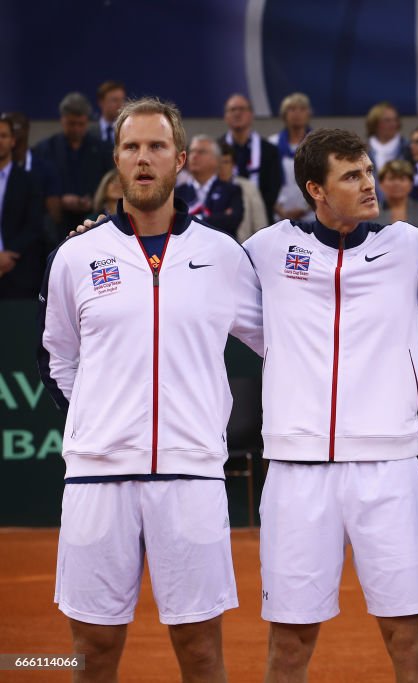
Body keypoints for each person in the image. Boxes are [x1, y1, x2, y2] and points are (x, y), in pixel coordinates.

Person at [38, 97, 263, 682]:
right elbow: (57, 355)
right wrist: (94, 422)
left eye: (157, 146)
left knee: (200, 651)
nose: (144, 158)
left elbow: (281, 343)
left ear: (181, 159)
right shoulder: (76, 255)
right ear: (116, 159)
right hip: (97, 474)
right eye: (132, 147)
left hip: (190, 473)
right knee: (91, 651)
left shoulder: (223, 256)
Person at [242, 128, 418, 683]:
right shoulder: (265, 250)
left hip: (391, 469)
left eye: (368, 172)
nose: (367, 184)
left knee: (408, 638)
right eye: (351, 176)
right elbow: (197, 280)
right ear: (316, 189)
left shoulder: (414, 249)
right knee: (289, 642)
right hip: (297, 472)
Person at [32, 92, 114, 233]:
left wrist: (94, 200)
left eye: (81, 124)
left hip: (94, 220)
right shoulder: (45, 149)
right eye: (71, 124)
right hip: (55, 223)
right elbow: (35, 188)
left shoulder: (103, 149)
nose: (76, 129)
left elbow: (110, 182)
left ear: (87, 121)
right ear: (62, 120)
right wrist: (60, 199)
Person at [0, 115, 44, 299]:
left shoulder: (28, 181)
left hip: (18, 272)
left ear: (12, 141)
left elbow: (34, 225)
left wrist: (6, 255)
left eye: (3, 135)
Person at [223, 93, 283, 220]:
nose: (237, 114)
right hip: (225, 217)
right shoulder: (216, 149)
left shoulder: (269, 150)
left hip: (261, 217)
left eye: (242, 109)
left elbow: (274, 188)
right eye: (232, 110)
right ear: (226, 116)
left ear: (251, 115)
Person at [176, 135, 244, 238]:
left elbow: (232, 220)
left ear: (216, 160)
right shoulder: (177, 193)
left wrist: (191, 219)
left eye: (201, 152)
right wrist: (216, 217)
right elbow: (173, 223)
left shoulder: (231, 190)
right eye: (192, 151)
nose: (194, 156)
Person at [270, 92, 315, 222]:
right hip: (280, 215)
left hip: (312, 215)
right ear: (284, 115)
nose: (297, 114)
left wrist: (307, 208)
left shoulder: (318, 144)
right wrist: (279, 210)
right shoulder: (272, 144)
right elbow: (266, 183)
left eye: (302, 109)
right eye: (292, 109)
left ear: (308, 114)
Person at [378, 158, 418, 240]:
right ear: (381, 183)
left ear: (411, 183)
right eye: (392, 178)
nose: (397, 183)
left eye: (402, 179)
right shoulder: (372, 213)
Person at [366, 100, 411, 178]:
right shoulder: (364, 150)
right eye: (387, 120)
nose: (393, 124)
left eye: (395, 120)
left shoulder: (409, 148)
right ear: (375, 123)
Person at [88, 80, 126, 145]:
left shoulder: (128, 129)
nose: (120, 104)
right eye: (115, 100)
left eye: (122, 100)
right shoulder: (88, 131)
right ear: (101, 102)